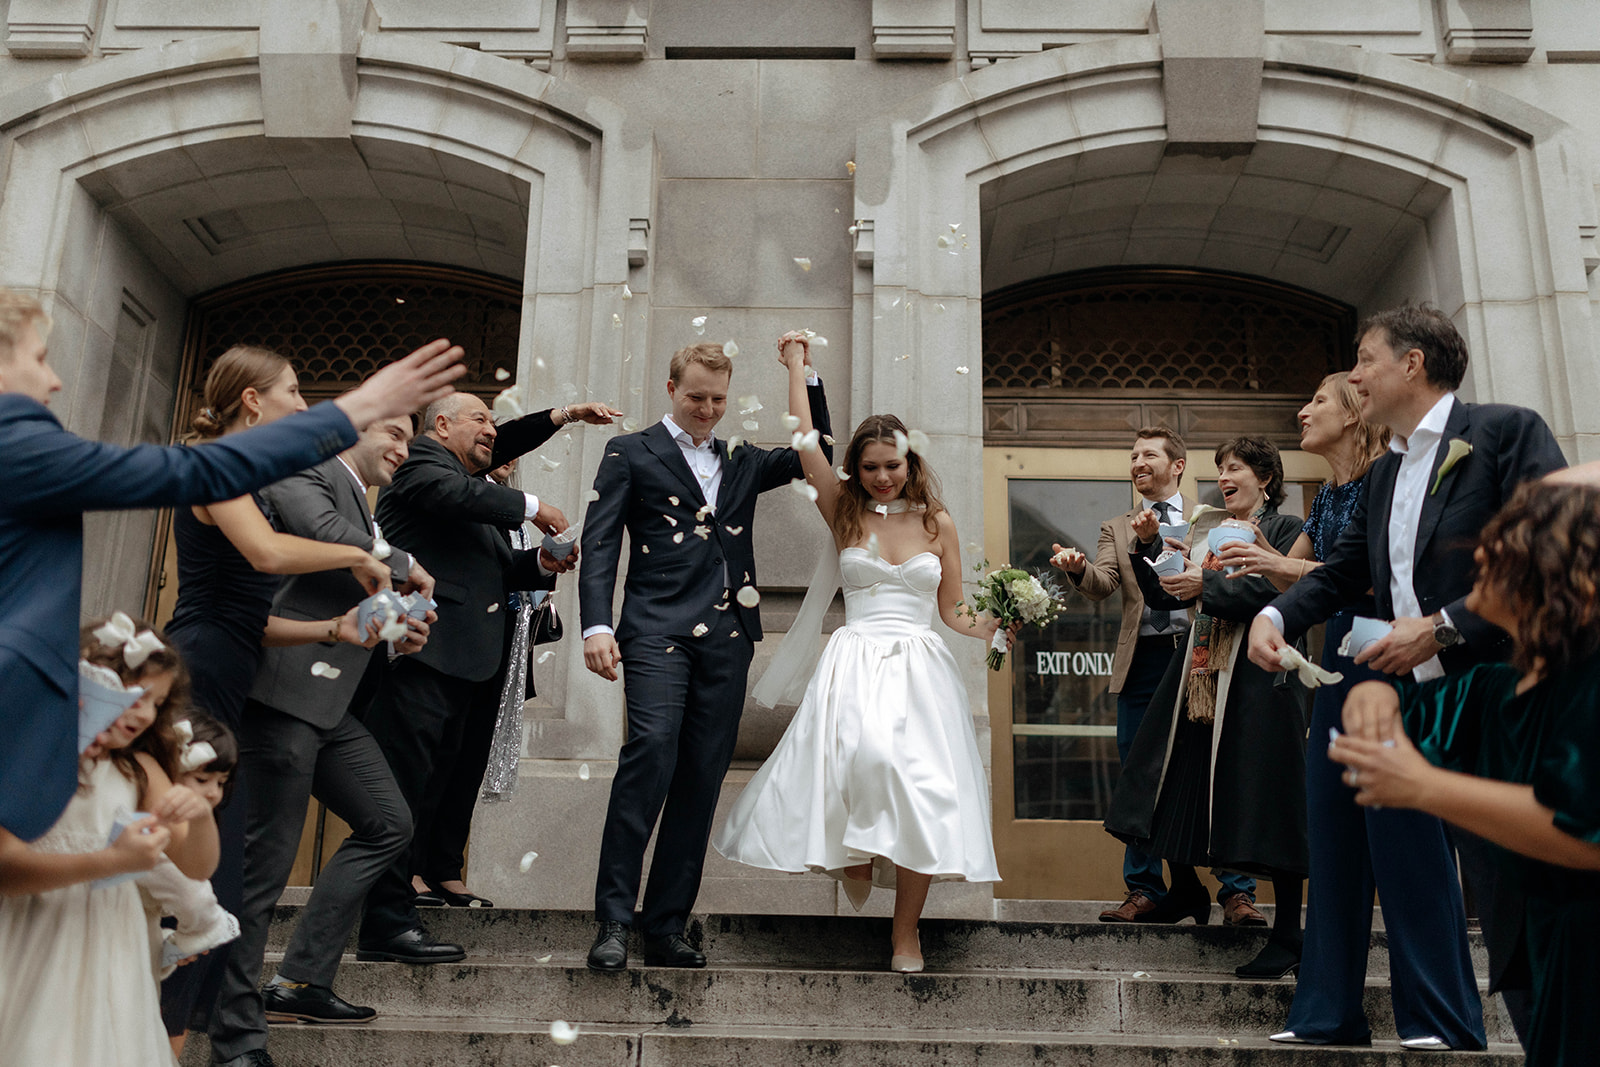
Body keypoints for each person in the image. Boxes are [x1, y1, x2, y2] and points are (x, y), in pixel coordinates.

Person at [0, 289, 463, 845]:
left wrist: (335, 626)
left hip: (226, 667)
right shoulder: (18, 444)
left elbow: (251, 598)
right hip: (165, 671)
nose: (54, 380)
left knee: (206, 842)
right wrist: (354, 413)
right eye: (40, 357)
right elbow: (216, 489)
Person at [1248, 304, 1567, 1043]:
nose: (1354, 375)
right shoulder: (1388, 472)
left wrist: (1445, 625)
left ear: (1412, 364)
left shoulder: (1504, 433)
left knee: (1524, 900)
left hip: (1498, 696)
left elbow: (1551, 554)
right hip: (1418, 704)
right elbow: (1344, 572)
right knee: (1465, 886)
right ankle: (1434, 1021)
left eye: (1364, 360)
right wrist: (1275, 618)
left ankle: (1496, 1028)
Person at [159, 346, 440, 1045]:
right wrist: (371, 558)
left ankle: (301, 977)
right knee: (255, 871)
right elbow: (284, 551)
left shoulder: (264, 473)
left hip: (311, 686)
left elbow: (261, 608)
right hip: (260, 694)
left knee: (387, 820)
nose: (303, 403)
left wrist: (360, 627)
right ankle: (233, 1033)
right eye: (291, 390)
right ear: (253, 400)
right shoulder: (277, 468)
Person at [714, 337, 1001, 972]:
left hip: (921, 667)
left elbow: (954, 610)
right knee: (868, 758)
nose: (881, 476)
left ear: (910, 462)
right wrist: (797, 367)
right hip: (857, 658)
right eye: (870, 466)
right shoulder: (843, 510)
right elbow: (804, 442)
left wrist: (1000, 623)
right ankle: (855, 850)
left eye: (891, 466)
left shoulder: (938, 523)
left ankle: (907, 933)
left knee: (922, 788)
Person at [1223, 374, 1484, 1049]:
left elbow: (1369, 577)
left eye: (1317, 400)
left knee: (1407, 839)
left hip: (1395, 654)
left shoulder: (1390, 480)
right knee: (1333, 841)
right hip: (1339, 657)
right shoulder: (1329, 495)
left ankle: (1440, 1017)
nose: (1302, 409)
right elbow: (1312, 574)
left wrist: (1274, 571)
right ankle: (1326, 1013)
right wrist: (1269, 583)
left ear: (1354, 414)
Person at [1329, 470, 1600, 1066]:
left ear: (1558, 567)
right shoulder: (1498, 689)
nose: (1479, 549)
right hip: (1537, 951)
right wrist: (1370, 698)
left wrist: (1426, 788)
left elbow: (1586, 834)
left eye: (1507, 536)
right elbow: (1406, 708)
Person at [581, 338, 833, 972]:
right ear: (672, 389)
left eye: (718, 400)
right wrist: (595, 626)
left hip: (726, 638)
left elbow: (816, 455)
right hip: (654, 633)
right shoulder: (630, 451)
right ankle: (613, 919)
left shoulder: (742, 459)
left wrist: (804, 374)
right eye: (696, 397)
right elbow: (602, 544)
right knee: (651, 753)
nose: (707, 410)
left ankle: (666, 925)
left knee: (700, 779)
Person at [358, 394, 618, 963]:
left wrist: (543, 565)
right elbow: (460, 492)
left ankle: (406, 904)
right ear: (441, 424)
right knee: (402, 791)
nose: (491, 432)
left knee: (439, 785)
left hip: (469, 667)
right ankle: (385, 921)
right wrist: (533, 505)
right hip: (421, 659)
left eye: (494, 423)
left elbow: (495, 574)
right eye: (481, 419)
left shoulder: (471, 498)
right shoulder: (425, 466)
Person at [1105, 436, 1311, 979]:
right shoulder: (1201, 527)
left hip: (1257, 677)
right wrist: (1153, 550)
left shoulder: (1288, 532)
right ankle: (1185, 889)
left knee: (1259, 794)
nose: (1223, 477)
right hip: (1199, 669)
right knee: (1167, 776)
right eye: (1220, 468)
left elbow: (1279, 596)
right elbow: (1167, 594)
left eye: (1236, 468)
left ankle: (1279, 924)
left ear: (1265, 478)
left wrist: (1208, 582)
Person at [1050, 428, 1260, 926]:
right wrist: (1077, 569)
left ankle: (1237, 893)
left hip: (1202, 652)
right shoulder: (1115, 527)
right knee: (1138, 775)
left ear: (1178, 464)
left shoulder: (1213, 518)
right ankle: (1145, 889)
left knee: (1216, 767)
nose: (1138, 463)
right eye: (1133, 457)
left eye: (1148, 455)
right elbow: (1103, 586)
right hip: (1143, 661)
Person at [0, 615, 214, 1066]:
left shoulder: (138, 770)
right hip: (29, 933)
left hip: (110, 948)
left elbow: (197, 866)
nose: (144, 714)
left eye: (156, 703)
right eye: (134, 697)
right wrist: (112, 861)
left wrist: (200, 816)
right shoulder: (32, 759)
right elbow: (6, 870)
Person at [141, 713, 243, 982]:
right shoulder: (156, 832)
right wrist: (188, 939)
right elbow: (194, 899)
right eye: (201, 779)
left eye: (220, 782)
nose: (213, 792)